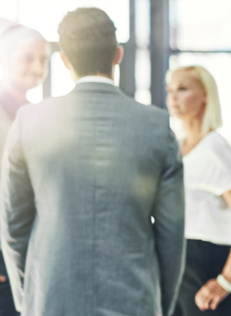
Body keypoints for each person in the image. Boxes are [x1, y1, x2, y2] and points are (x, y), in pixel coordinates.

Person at [0, 8, 185, 315]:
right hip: (135, 298)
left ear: (64, 60)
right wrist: (159, 303)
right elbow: (171, 233)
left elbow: (14, 226)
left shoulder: (29, 122)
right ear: (118, 55)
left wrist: (29, 295)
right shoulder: (156, 126)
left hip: (51, 297)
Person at [166, 65, 231, 315]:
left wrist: (225, 280)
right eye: (170, 90)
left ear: (205, 97)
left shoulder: (214, 148)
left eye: (182, 88)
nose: (173, 97)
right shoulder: (178, 147)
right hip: (181, 262)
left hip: (208, 264)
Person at [0, 24, 48, 316]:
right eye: (28, 57)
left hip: (33, 253)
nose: (38, 66)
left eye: (43, 59)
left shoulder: (38, 115)